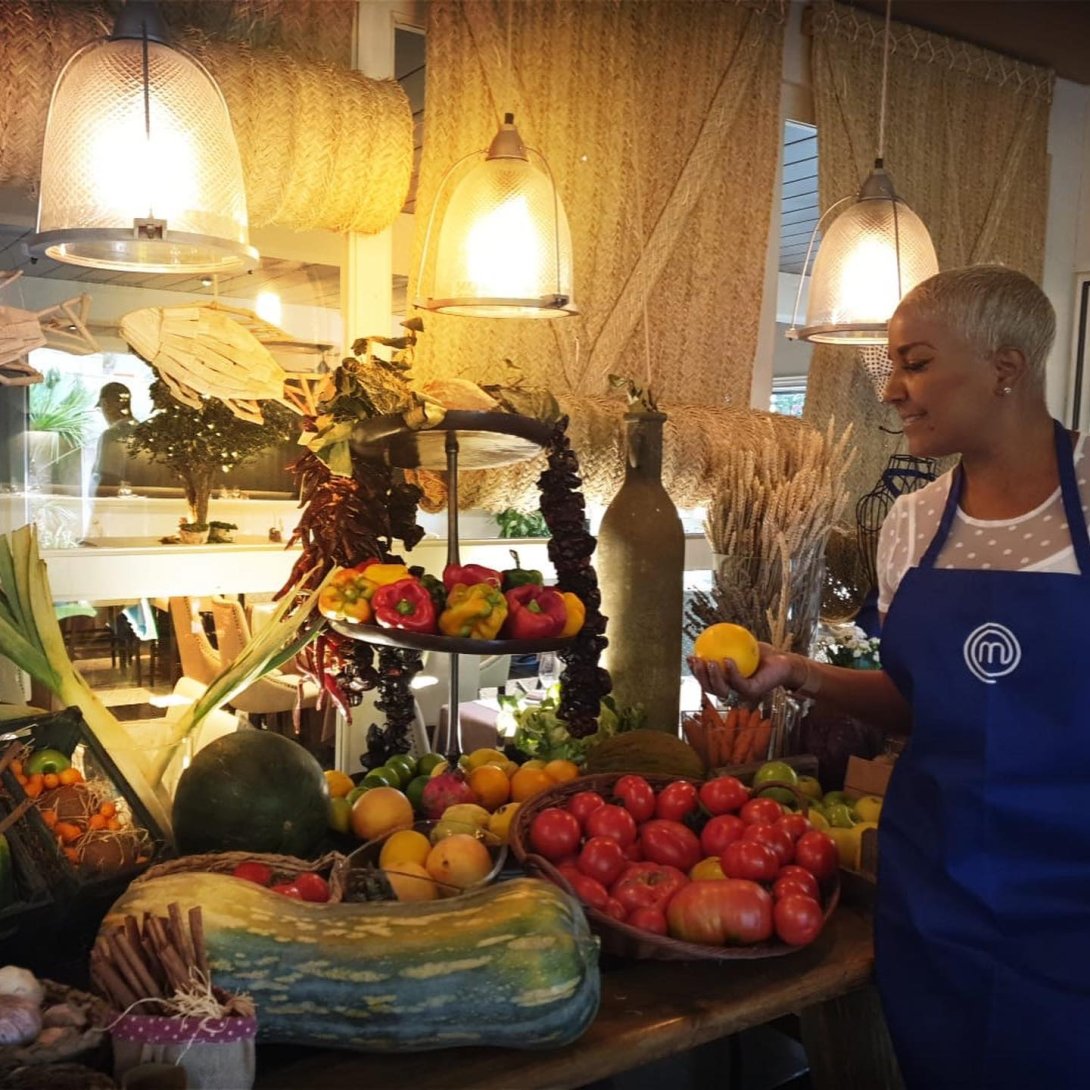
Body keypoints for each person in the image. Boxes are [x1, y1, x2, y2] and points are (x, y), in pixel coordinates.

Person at [690, 265, 1090, 1089]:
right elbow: (923, 700)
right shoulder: (911, 524)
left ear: (1006, 369)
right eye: (892, 368)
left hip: (1074, 909)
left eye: (915, 364)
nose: (892, 393)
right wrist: (797, 673)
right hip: (937, 895)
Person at [91, 381, 137, 495]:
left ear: (105, 404)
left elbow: (107, 480)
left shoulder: (112, 436)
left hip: (120, 507)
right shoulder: (143, 433)